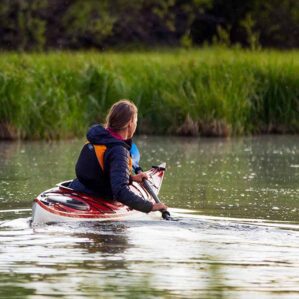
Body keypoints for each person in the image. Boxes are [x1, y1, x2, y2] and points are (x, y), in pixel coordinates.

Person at [69, 99, 167, 213]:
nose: (136, 124)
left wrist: (131, 178)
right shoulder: (119, 150)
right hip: (97, 196)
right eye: (136, 121)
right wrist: (150, 206)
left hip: (78, 188)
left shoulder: (98, 138)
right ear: (130, 123)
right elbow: (120, 192)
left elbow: (101, 172)